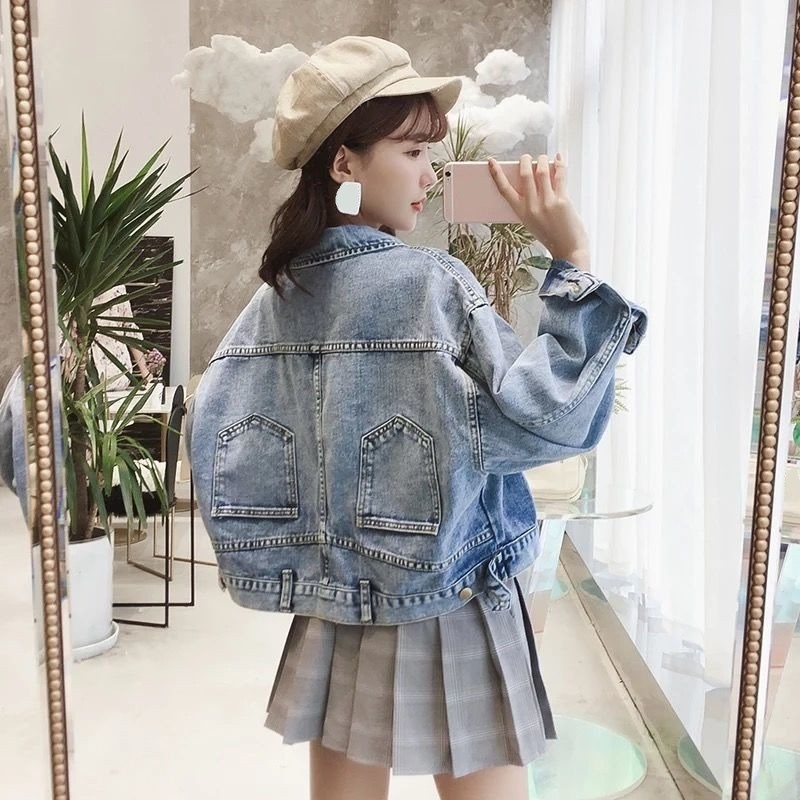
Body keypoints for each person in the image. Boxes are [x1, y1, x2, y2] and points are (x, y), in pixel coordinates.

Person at [186, 35, 647, 800]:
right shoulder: (432, 284)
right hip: (454, 590)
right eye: (412, 151)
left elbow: (215, 435)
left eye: (431, 152)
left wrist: (297, 548)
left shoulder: (272, 301)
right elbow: (543, 422)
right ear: (344, 164)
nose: (430, 175)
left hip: (336, 607)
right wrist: (572, 260)